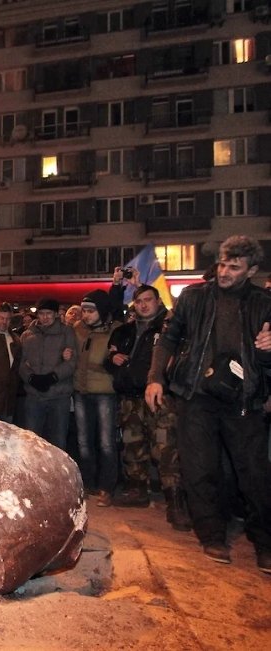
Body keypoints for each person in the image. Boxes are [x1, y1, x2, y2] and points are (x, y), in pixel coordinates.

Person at [146, 235, 271, 572]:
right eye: (222, 263)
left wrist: (269, 349)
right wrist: (155, 377)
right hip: (195, 396)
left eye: (234, 266)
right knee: (200, 469)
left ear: (252, 270)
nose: (225, 271)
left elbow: (268, 361)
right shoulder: (193, 296)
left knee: (255, 474)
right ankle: (212, 535)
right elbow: (168, 338)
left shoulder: (264, 302)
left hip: (243, 400)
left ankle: (265, 542)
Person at [106, 282, 190, 530]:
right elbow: (109, 360)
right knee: (133, 446)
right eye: (139, 301)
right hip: (129, 399)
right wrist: (113, 358)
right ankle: (137, 490)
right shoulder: (124, 331)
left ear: (158, 301)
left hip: (160, 397)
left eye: (148, 300)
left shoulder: (170, 328)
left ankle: (175, 501)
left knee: (166, 448)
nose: (143, 305)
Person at [73, 289, 121, 506]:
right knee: (83, 442)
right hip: (81, 391)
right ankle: (88, 483)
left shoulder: (115, 331)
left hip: (105, 393)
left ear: (101, 311)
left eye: (90, 311)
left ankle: (106, 487)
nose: (86, 315)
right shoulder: (77, 330)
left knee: (106, 443)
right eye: (83, 310)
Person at [18, 298, 76, 449]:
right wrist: (31, 378)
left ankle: (57, 472)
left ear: (56, 314)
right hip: (34, 396)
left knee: (58, 440)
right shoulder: (27, 335)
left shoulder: (66, 332)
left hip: (59, 396)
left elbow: (72, 361)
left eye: (48, 313)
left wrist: (53, 377)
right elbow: (21, 362)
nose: (45, 317)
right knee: (32, 441)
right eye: (41, 313)